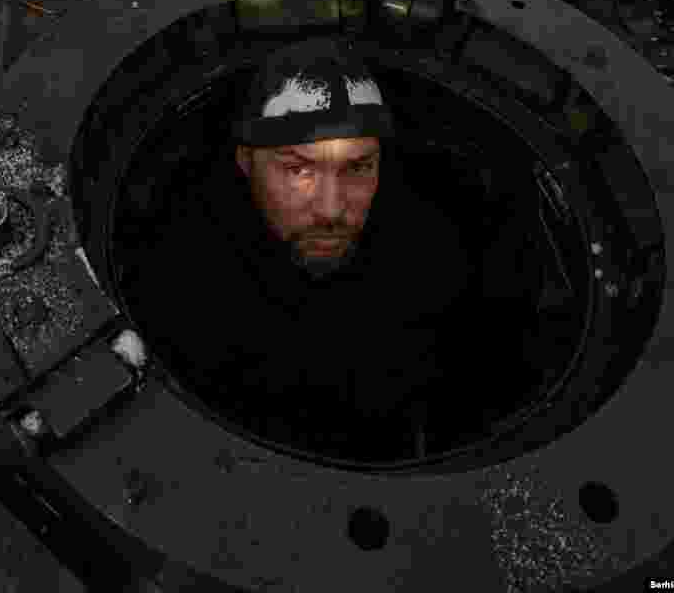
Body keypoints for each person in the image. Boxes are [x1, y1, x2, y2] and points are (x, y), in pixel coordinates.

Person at [126, 37, 545, 459]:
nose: (330, 209)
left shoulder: (445, 256)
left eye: (358, 167)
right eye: (297, 169)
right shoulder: (181, 278)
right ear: (246, 162)